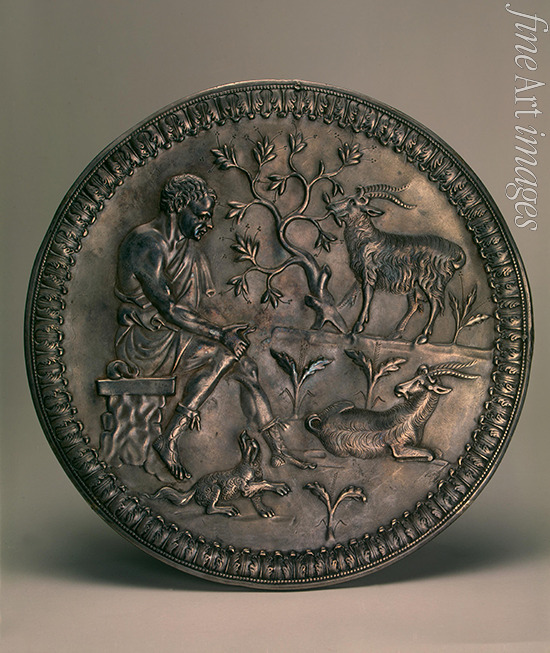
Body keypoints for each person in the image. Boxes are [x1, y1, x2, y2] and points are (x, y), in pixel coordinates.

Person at [114, 173, 313, 479]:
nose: (208, 224)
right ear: (178, 206)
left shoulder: (187, 250)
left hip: (175, 336)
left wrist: (228, 331)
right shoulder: (147, 243)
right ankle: (169, 438)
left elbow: (195, 309)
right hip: (145, 341)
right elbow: (169, 309)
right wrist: (221, 335)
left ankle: (278, 449)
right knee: (226, 354)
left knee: (246, 366)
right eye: (201, 215)